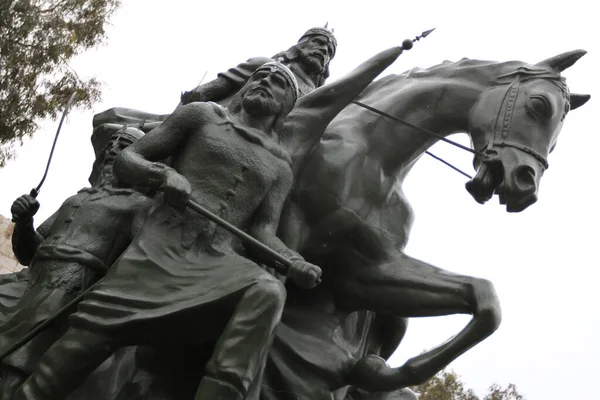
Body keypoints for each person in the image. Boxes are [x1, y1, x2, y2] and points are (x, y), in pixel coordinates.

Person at [13, 61, 322, 400]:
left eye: (277, 81)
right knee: (82, 345)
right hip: (156, 247)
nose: (264, 82)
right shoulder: (203, 115)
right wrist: (162, 176)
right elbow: (128, 159)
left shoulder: (280, 166)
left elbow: (264, 229)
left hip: (215, 262)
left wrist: (292, 259)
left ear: (287, 104)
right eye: (259, 76)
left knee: (267, 291)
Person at [0, 127, 154, 398]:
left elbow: (138, 261)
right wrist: (24, 222)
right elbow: (28, 254)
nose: (113, 150)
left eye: (125, 145)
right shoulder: (77, 198)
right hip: (28, 281)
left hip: (68, 288)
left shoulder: (139, 205)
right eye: (112, 143)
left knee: (21, 356)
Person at [180, 25, 337, 105]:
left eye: (329, 51)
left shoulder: (317, 98)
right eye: (318, 42)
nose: (324, 50)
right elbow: (219, 86)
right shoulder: (266, 65)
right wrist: (199, 94)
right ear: (302, 45)